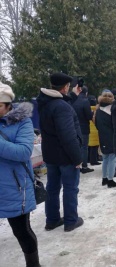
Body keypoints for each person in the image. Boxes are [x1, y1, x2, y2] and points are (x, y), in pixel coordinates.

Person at [0, 82, 41, 267]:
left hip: (14, 187)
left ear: (9, 105)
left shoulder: (22, 122)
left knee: (21, 231)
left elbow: (24, 152)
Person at [37, 73, 84, 232]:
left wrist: (73, 96)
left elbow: (62, 102)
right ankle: (71, 220)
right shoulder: (62, 107)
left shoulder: (45, 103)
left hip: (51, 155)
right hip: (65, 156)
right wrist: (77, 158)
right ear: (65, 87)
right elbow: (68, 136)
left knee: (52, 187)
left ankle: (52, 220)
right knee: (70, 188)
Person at [95, 90, 116, 188]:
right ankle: (110, 180)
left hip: (102, 136)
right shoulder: (112, 110)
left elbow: (96, 124)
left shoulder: (98, 110)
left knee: (105, 158)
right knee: (112, 158)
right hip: (111, 136)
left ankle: (104, 178)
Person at [72, 85, 94, 173]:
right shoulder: (85, 101)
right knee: (84, 147)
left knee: (77, 147)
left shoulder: (73, 100)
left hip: (74, 127)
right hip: (84, 128)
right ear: (86, 93)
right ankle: (84, 166)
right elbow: (88, 116)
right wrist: (92, 113)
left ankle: (77, 165)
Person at [88, 95, 100, 165]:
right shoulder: (96, 110)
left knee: (89, 146)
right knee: (95, 147)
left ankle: (88, 159)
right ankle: (94, 160)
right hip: (95, 129)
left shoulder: (87, 109)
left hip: (89, 129)